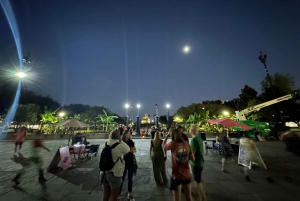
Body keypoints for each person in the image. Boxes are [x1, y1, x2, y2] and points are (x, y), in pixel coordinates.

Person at [163, 128, 195, 201]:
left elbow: (163, 146)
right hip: (187, 174)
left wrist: (167, 136)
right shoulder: (186, 143)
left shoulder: (173, 143)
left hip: (177, 175)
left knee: (177, 199)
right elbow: (193, 158)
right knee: (189, 197)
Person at [100, 129, 130, 201]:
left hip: (103, 173)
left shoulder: (104, 145)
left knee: (105, 196)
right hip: (115, 173)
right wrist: (121, 140)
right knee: (114, 197)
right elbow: (128, 149)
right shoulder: (121, 145)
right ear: (119, 136)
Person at [189, 126, 207, 201]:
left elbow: (192, 153)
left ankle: (202, 197)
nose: (189, 131)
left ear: (192, 131)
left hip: (195, 163)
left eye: (189, 129)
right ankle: (201, 196)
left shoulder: (193, 140)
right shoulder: (199, 138)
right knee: (198, 180)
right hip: (200, 162)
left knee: (197, 181)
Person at [119, 130, 137, 201]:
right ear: (125, 134)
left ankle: (129, 192)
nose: (130, 135)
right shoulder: (121, 142)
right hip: (123, 162)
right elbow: (121, 153)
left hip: (131, 161)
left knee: (130, 178)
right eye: (129, 133)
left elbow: (134, 150)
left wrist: (130, 151)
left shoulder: (131, 142)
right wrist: (129, 151)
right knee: (122, 178)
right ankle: (118, 193)